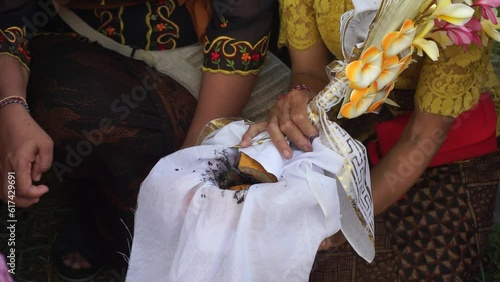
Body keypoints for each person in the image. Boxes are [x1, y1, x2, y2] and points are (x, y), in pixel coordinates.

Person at [0, 0, 275, 280]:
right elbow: (10, 14)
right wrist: (10, 107)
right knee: (78, 113)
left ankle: (123, 223)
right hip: (75, 35)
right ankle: (98, 210)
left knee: (173, 161)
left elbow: (242, 24)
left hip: (201, 45)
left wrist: (182, 170)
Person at [241, 0, 500, 281]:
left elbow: (423, 134)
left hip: (444, 139)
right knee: (278, 249)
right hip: (353, 114)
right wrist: (301, 98)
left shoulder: (462, 6)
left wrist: (346, 222)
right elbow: (310, 71)